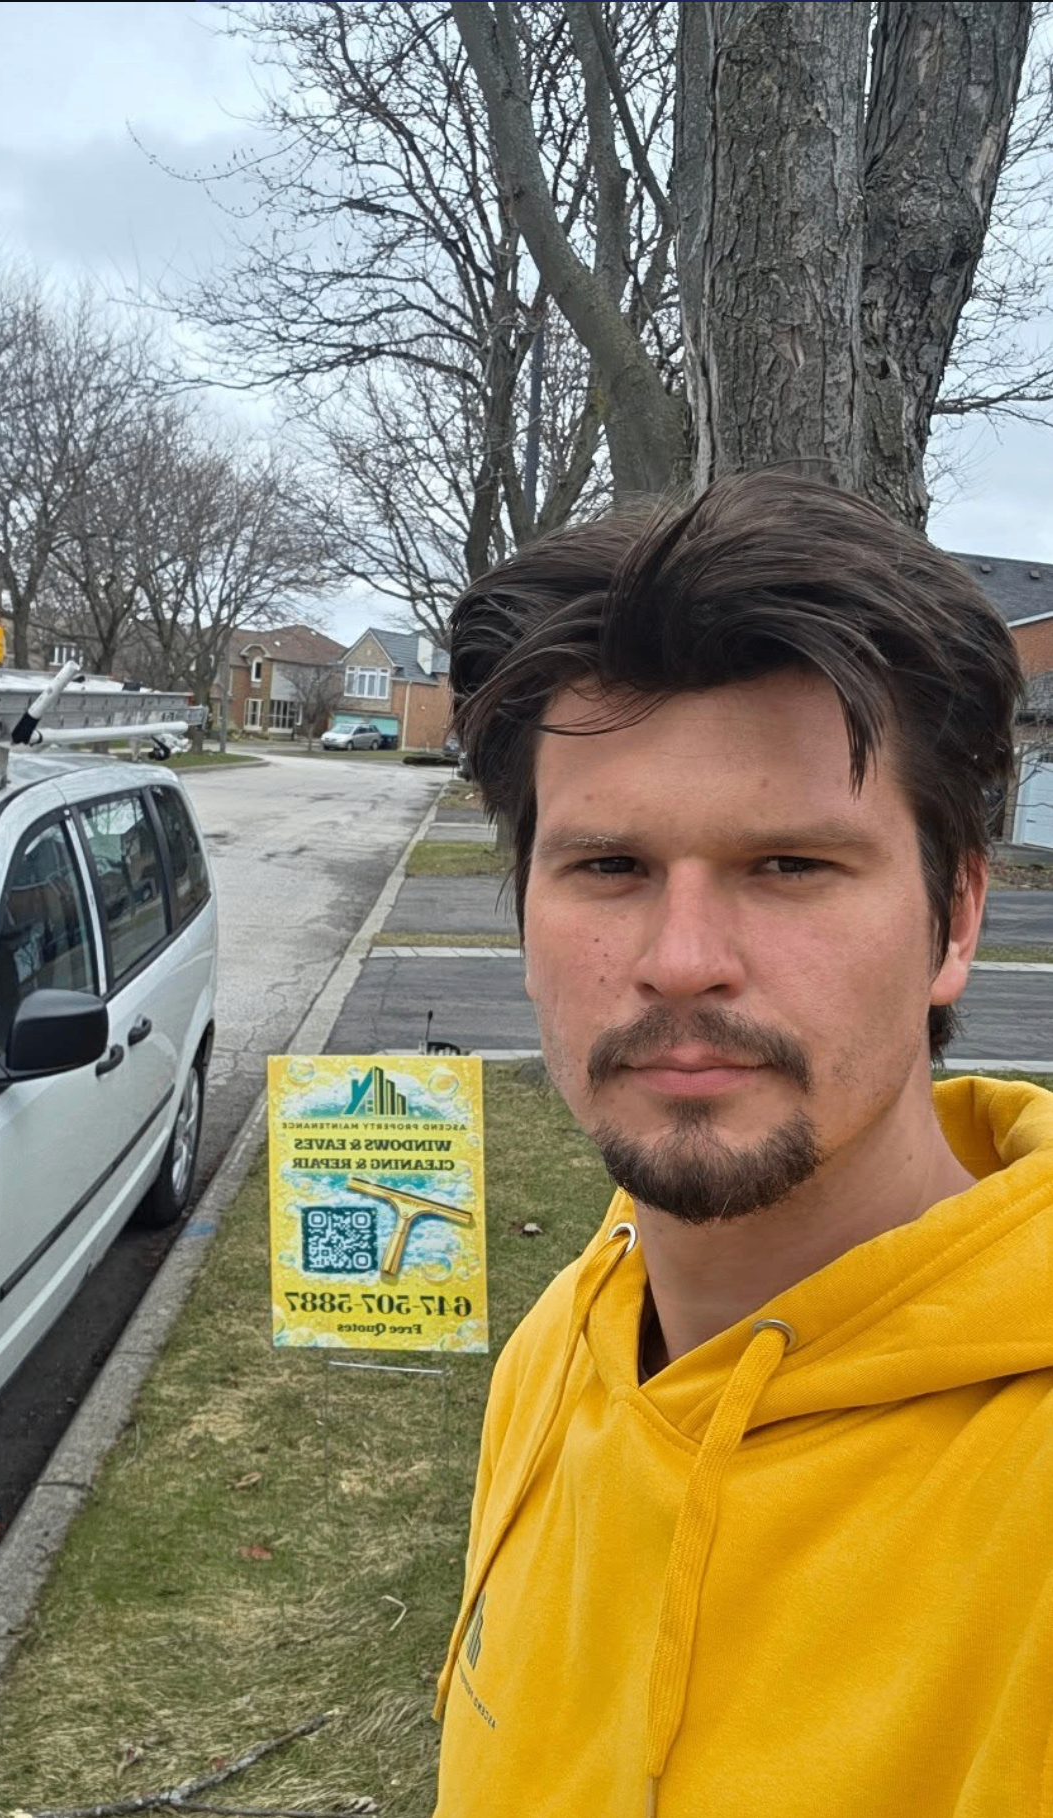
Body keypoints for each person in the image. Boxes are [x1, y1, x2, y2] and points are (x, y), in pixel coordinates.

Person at [432, 471, 1053, 1817]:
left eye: (789, 866)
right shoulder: (559, 1347)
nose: (684, 963)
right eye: (610, 866)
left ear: (954, 920)